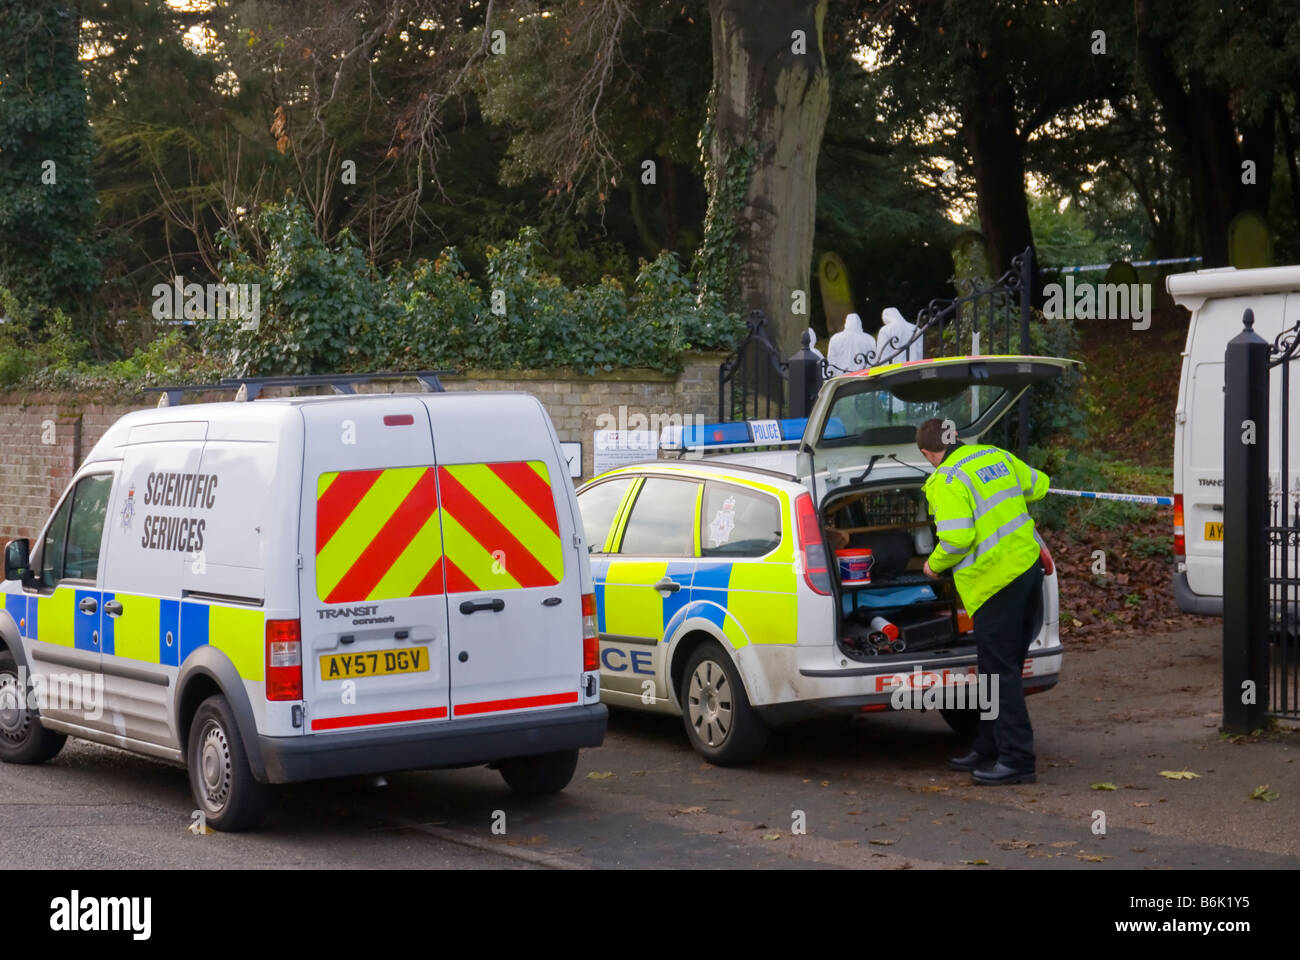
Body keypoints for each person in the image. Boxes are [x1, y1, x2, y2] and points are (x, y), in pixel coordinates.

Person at [914, 417, 1053, 785]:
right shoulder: (994, 455)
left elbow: (958, 539)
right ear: (956, 437)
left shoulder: (945, 480)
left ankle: (1017, 761)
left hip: (994, 584)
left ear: (928, 453)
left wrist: (933, 564)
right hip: (1026, 571)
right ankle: (988, 745)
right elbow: (1039, 486)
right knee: (1004, 667)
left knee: (998, 673)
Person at [826, 312, 876, 376]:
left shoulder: (836, 338)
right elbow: (874, 358)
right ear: (860, 323)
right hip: (865, 375)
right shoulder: (869, 338)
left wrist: (830, 375)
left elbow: (831, 359)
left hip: (843, 377)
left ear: (846, 322)